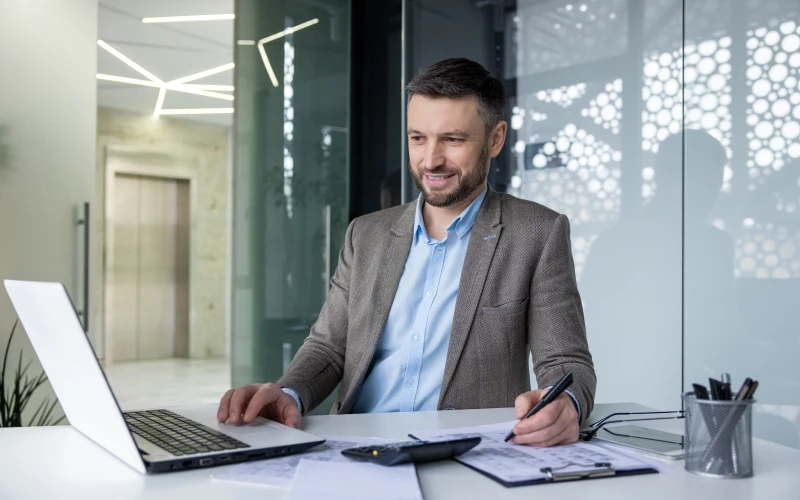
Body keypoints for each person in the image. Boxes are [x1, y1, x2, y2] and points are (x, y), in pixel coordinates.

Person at [218, 58, 596, 447]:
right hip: (355, 450)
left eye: (453, 139)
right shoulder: (365, 234)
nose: (430, 160)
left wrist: (566, 402)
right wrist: (289, 392)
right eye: (418, 138)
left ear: (495, 139)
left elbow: (566, 362)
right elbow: (329, 347)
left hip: (467, 455)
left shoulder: (536, 232)